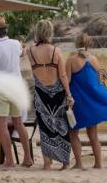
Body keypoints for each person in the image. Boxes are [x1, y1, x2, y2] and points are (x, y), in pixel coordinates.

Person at [66, 32, 107, 170]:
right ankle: (98, 163)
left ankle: (79, 163)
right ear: (88, 44)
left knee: (73, 132)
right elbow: (98, 81)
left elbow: (67, 81)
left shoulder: (71, 60)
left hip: (78, 101)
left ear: (76, 43)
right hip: (91, 101)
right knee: (93, 134)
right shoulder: (94, 59)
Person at [0, 19, 33, 168]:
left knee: (1, 126)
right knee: (19, 123)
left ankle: (10, 160)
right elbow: (22, 52)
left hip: (1, 89)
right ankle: (27, 158)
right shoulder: (15, 44)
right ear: (6, 30)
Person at [28, 19, 73, 170]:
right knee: (61, 127)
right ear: (50, 32)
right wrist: (69, 94)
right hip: (58, 94)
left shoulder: (30, 51)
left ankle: (47, 163)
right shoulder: (56, 51)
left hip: (41, 94)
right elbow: (63, 76)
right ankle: (65, 163)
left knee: (44, 128)